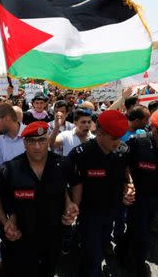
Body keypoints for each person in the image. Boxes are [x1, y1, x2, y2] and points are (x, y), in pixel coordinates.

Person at [0, 121, 79, 277]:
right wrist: (5, 221)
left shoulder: (63, 164)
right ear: (24, 143)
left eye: (42, 140)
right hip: (22, 237)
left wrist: (73, 204)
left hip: (54, 234)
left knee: (49, 270)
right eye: (31, 141)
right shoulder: (9, 169)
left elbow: (76, 184)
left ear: (48, 140)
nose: (37, 147)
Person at [68, 110, 135, 277]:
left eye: (120, 137)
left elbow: (125, 172)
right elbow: (69, 183)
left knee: (104, 241)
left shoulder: (123, 150)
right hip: (89, 212)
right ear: (99, 133)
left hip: (112, 209)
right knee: (93, 256)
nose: (118, 142)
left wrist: (130, 185)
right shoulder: (80, 155)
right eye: (113, 138)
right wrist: (72, 205)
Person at [123, 108, 158, 276]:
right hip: (137, 198)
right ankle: (138, 264)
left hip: (157, 198)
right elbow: (123, 165)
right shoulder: (136, 142)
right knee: (141, 234)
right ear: (151, 127)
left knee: (139, 230)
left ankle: (123, 250)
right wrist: (128, 183)